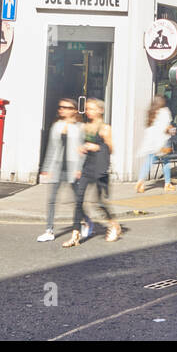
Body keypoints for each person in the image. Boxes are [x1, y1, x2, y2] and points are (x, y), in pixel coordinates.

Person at [65, 98, 121, 245]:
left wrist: (96, 147)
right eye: (88, 109)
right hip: (87, 167)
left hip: (100, 169)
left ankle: (113, 225)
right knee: (78, 200)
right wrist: (81, 153)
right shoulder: (85, 127)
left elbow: (110, 149)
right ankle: (75, 235)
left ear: (100, 110)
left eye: (92, 109)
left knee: (99, 203)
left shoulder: (105, 128)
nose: (89, 112)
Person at [38, 99, 83, 242]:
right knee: (51, 200)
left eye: (66, 107)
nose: (62, 109)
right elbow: (51, 148)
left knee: (77, 200)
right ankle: (49, 230)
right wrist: (46, 168)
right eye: (61, 107)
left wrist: (80, 169)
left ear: (74, 110)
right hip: (57, 167)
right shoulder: (56, 126)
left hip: (73, 168)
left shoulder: (80, 127)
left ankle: (84, 223)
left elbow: (83, 151)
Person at [135, 96, 176, 194]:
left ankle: (140, 181)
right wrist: (172, 130)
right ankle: (167, 184)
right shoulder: (165, 111)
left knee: (148, 161)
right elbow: (167, 127)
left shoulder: (151, 112)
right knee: (166, 162)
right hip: (163, 141)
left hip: (152, 142)